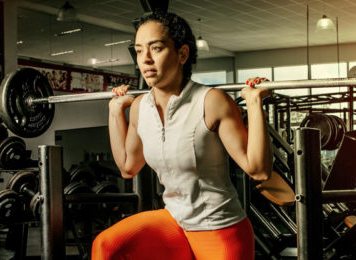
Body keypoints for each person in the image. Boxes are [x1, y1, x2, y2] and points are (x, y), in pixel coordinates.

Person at [93, 12, 272, 260]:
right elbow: (127, 167)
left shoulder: (212, 102)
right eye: (138, 50)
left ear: (182, 54)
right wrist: (114, 113)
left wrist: (254, 105)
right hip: (174, 222)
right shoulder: (139, 107)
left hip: (219, 229)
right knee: (106, 245)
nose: (145, 59)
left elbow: (258, 170)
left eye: (155, 48)